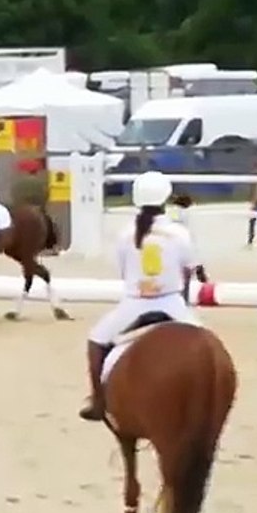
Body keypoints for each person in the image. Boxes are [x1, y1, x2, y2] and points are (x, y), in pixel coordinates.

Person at [79, 171, 199, 422]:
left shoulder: (125, 234)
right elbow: (188, 269)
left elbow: (123, 272)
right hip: (172, 302)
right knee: (208, 345)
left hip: (134, 304)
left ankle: (98, 400)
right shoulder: (180, 233)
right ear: (166, 197)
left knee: (96, 340)